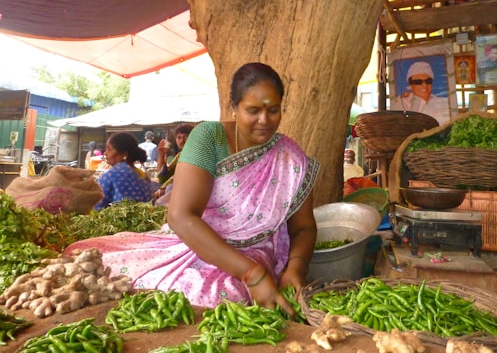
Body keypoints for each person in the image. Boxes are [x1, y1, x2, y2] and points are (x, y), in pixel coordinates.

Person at [64, 62, 321, 314]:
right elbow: (180, 216)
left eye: (273, 110)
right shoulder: (209, 138)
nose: (264, 120)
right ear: (233, 107)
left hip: (256, 252)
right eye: (253, 110)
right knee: (92, 264)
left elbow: (304, 227)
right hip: (197, 243)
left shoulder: (288, 157)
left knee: (230, 299)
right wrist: (252, 275)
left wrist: (295, 269)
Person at [94, 132, 154, 210]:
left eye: (109, 149)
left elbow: (96, 207)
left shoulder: (109, 176)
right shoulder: (143, 177)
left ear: (124, 154)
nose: (105, 153)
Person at [153, 123, 195, 205]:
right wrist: (161, 155)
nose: (182, 140)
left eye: (186, 137)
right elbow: (163, 177)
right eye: (179, 137)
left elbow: (180, 175)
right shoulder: (179, 156)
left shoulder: (194, 153)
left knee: (170, 188)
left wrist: (163, 188)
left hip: (191, 191)